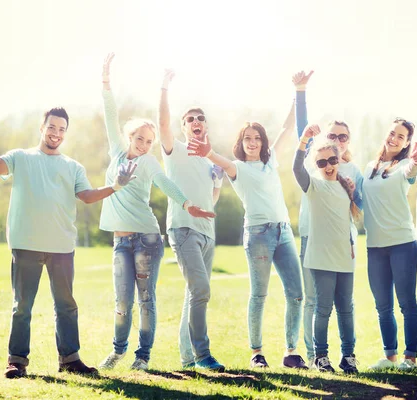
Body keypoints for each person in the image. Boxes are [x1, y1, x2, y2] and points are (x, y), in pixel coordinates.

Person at [0, 108, 136, 379]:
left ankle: (70, 359)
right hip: (25, 244)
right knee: (22, 306)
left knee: (66, 305)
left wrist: (116, 186)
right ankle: (16, 361)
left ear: (66, 133)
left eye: (62, 129)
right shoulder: (21, 157)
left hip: (62, 246)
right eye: (52, 127)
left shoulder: (73, 166)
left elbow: (87, 196)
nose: (56, 133)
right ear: (42, 127)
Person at [96, 54, 215, 372]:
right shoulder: (117, 152)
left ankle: (142, 356)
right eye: (140, 139)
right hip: (121, 241)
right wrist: (106, 81)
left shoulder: (149, 162)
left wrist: (188, 204)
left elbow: (167, 185)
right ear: (129, 137)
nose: (146, 144)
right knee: (122, 303)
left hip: (147, 239)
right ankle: (118, 350)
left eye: (150, 141)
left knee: (146, 301)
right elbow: (110, 116)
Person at [187, 102, 308, 369]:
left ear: (263, 142)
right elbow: (218, 159)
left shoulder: (271, 161)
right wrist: (208, 152)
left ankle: (291, 352)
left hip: (284, 231)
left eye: (257, 138)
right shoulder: (237, 167)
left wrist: (298, 94)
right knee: (260, 294)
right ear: (241, 143)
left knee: (297, 294)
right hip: (258, 235)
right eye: (247, 138)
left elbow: (288, 128)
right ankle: (257, 352)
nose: (253, 143)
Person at [292, 70, 363, 369]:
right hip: (316, 249)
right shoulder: (313, 178)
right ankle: (319, 355)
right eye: (322, 161)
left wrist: (351, 243)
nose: (328, 164)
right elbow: (299, 165)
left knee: (345, 308)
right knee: (320, 308)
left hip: (343, 250)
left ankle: (349, 355)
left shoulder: (349, 179)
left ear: (342, 153)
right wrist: (301, 93)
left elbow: (355, 214)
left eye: (333, 159)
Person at [158, 70, 225, 372]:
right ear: (183, 127)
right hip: (183, 229)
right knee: (201, 290)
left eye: (200, 118)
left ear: (206, 125)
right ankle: (202, 355)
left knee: (193, 292)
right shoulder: (175, 150)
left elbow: (212, 200)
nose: (196, 122)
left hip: (207, 233)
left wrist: (218, 182)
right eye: (190, 119)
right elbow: (161, 125)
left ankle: (186, 358)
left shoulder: (211, 158)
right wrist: (164, 88)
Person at [361, 118, 417, 370]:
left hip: (402, 244)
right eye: (392, 133)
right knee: (382, 306)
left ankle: (410, 358)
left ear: (407, 142)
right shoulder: (369, 168)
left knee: (407, 303)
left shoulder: (405, 166)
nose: (394, 138)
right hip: (375, 247)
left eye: (401, 136)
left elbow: (411, 173)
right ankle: (390, 357)